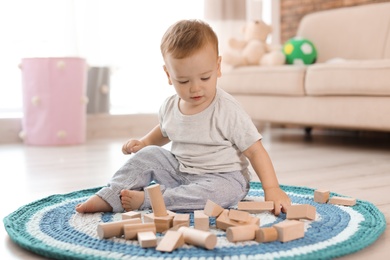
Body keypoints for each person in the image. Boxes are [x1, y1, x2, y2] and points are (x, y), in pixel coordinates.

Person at [76, 19, 291, 215]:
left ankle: (152, 200)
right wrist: (144, 143)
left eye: (205, 77)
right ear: (169, 75)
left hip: (223, 178)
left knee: (218, 194)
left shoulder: (227, 110)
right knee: (149, 154)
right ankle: (111, 194)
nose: (195, 88)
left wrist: (271, 188)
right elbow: (163, 130)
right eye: (184, 81)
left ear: (217, 67)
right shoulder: (170, 106)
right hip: (179, 170)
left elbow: (255, 150)